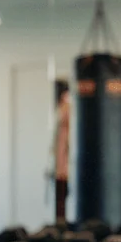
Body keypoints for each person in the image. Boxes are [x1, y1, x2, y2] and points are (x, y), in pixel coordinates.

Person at [51, 79, 71, 224]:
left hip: (65, 169)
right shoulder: (58, 111)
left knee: (62, 206)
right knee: (58, 205)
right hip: (59, 169)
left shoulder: (67, 110)